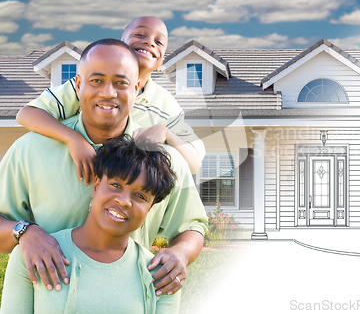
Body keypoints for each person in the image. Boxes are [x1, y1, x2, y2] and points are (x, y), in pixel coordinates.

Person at [0, 39, 207, 298]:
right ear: (78, 84)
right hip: (47, 301)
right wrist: (24, 232)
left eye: (121, 83)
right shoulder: (29, 150)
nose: (108, 92)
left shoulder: (164, 160)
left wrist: (181, 254)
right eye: (96, 81)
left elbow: (192, 227)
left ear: (137, 87)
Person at [1, 136, 181, 313]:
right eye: (116, 185)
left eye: (140, 196)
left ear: (149, 209)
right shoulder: (34, 254)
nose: (124, 201)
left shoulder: (162, 275)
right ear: (96, 186)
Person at [16, 16, 204, 180]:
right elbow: (26, 114)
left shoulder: (165, 104)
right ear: (121, 43)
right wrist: (73, 139)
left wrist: (166, 133)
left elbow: (194, 164)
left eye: (159, 41)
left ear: (160, 63)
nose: (149, 42)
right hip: (74, 175)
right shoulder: (89, 86)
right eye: (140, 35)